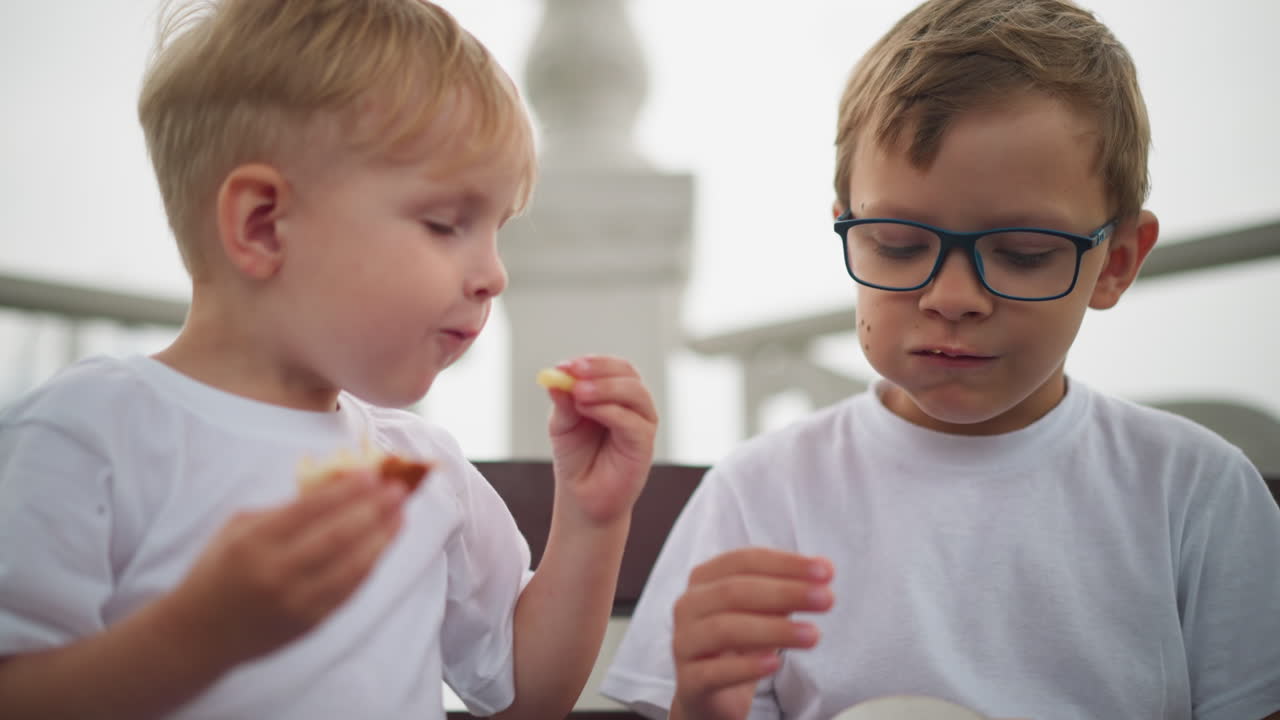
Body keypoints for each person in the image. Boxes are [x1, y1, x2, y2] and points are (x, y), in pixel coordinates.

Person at [601, 1, 1280, 719]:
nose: (952, 297)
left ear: (1115, 263)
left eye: (1022, 254)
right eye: (898, 244)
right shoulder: (763, 495)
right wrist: (704, 704)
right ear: (848, 231)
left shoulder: (1194, 496)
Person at [0, 1, 657, 718]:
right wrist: (196, 636)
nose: (494, 274)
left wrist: (593, 522)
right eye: (446, 224)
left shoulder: (425, 471)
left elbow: (527, 695)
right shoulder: (87, 435)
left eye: (496, 231)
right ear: (263, 225)